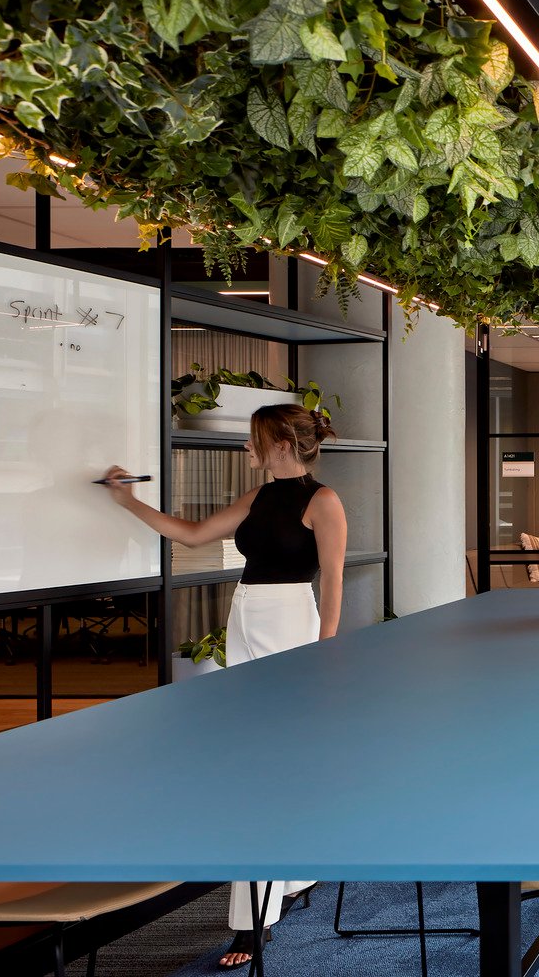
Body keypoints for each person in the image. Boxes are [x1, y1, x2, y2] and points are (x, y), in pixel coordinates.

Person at [102, 403, 346, 969]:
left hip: (291, 627)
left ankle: (251, 921)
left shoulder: (323, 501)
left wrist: (328, 653)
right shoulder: (258, 499)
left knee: (265, 771)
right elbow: (190, 535)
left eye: (254, 439)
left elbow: (332, 576)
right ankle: (288, 881)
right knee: (265, 767)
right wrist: (126, 502)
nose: (247, 448)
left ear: (283, 442)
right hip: (246, 621)